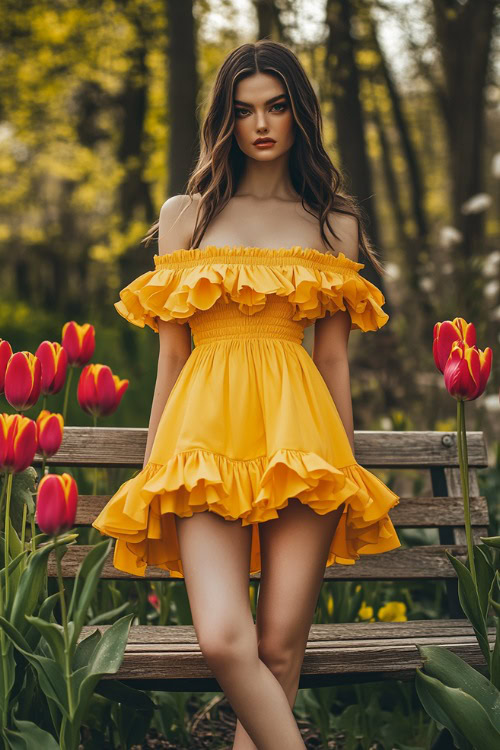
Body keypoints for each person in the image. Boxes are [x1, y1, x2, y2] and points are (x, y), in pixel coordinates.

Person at [92, 40, 401, 750]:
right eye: (242, 111)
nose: (261, 124)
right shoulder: (187, 217)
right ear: (223, 122)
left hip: (307, 443)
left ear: (300, 114)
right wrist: (151, 468)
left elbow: (331, 360)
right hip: (200, 444)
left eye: (276, 106)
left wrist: (345, 471)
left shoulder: (335, 223)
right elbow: (172, 357)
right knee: (228, 640)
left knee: (280, 650)